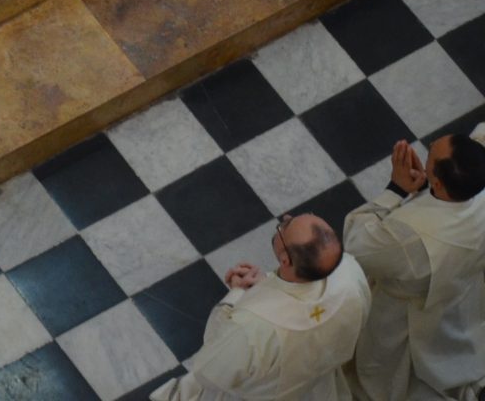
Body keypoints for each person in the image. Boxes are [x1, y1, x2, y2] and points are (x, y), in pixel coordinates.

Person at [153, 214, 369, 401]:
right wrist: (265, 284)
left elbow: (210, 370)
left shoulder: (252, 326)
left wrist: (238, 293)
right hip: (317, 387)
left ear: (285, 260)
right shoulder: (351, 274)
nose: (284, 219)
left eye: (285, 226)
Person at [344, 125, 485, 401]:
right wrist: (423, 190)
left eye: (431, 153)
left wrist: (395, 189)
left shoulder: (409, 237)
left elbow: (357, 245)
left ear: (440, 183)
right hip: (459, 287)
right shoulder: (477, 182)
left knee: (383, 364)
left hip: (398, 306)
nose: (429, 146)